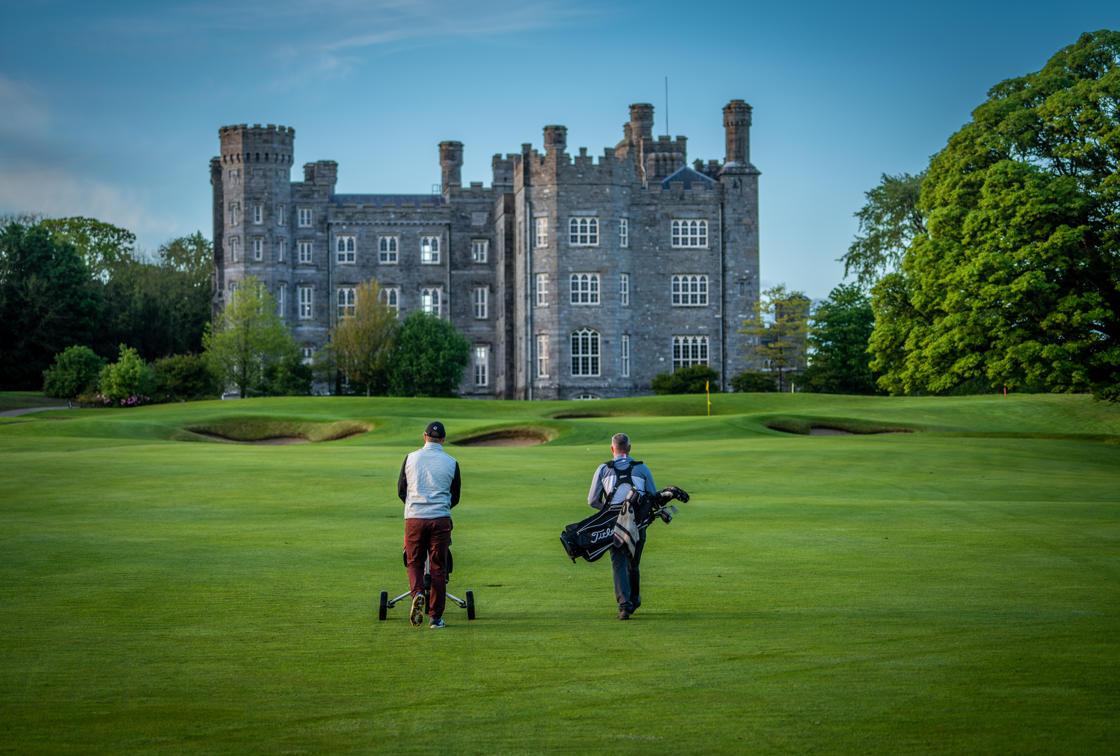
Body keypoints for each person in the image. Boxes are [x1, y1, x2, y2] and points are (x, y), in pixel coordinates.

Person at [397, 421, 461, 629]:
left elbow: (401, 490)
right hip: (440, 518)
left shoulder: (410, 458)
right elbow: (455, 496)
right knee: (438, 568)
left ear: (424, 436)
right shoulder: (452, 462)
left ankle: (417, 594)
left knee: (414, 561)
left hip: (415, 518)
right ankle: (435, 618)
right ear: (443, 439)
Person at [587, 432, 656, 620]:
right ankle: (635, 598)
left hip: (614, 526)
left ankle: (625, 605)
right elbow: (653, 497)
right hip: (637, 524)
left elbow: (592, 500)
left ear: (612, 449)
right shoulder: (642, 469)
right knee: (634, 562)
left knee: (618, 562)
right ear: (630, 448)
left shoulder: (603, 469)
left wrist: (609, 511)